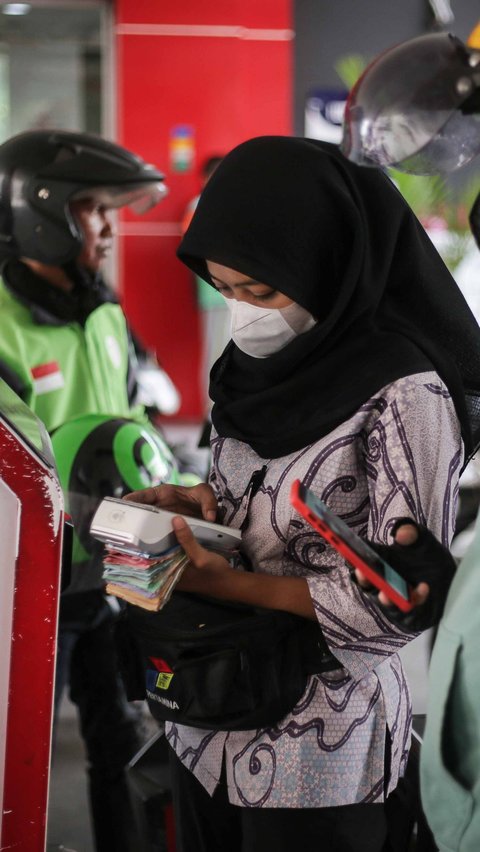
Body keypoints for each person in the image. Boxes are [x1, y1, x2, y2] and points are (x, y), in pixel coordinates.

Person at [125, 135, 480, 852]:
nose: (243, 314)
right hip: (210, 719)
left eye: (261, 291)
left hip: (322, 753)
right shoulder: (253, 369)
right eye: (224, 289)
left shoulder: (406, 395)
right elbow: (261, 497)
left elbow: (401, 604)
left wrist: (227, 582)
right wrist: (206, 507)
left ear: (329, 265)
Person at [0, 129, 175, 852]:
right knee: (18, 745)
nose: (108, 227)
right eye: (93, 208)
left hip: (112, 563)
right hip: (29, 576)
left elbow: (131, 418)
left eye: (111, 210)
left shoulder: (105, 311)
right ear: (40, 209)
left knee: (120, 734)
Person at [181, 155, 230, 416]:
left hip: (236, 294)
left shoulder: (229, 204)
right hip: (214, 294)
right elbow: (193, 247)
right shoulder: (197, 206)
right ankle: (211, 414)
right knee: (215, 354)